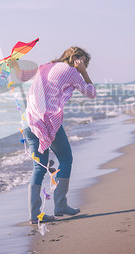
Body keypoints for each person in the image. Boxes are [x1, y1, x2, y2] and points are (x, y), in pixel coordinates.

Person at [10, 46, 96, 224]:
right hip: (48, 122)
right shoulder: (72, 71)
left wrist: (14, 65)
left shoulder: (45, 66)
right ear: (75, 59)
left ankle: (34, 215)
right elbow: (91, 93)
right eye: (83, 62)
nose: (83, 66)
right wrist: (84, 73)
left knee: (39, 167)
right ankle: (60, 205)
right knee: (66, 159)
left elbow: (21, 76)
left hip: (29, 120)